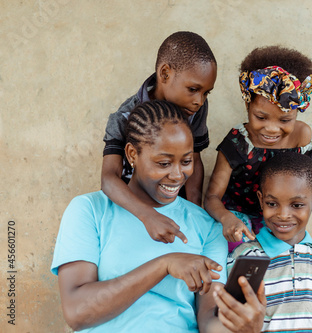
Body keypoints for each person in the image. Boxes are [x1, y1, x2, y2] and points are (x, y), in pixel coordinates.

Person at [51, 101, 238, 332]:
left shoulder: (207, 227)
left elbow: (209, 320)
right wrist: (163, 265)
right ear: (132, 154)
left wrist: (241, 326)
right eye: (163, 163)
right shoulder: (90, 210)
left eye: (186, 161)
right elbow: (77, 313)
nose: (178, 175)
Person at [214, 152, 312, 333]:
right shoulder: (246, 258)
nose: (283, 215)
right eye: (272, 203)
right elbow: (230, 320)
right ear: (261, 200)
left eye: (296, 205)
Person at [102, 31, 217, 245]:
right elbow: (109, 179)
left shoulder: (195, 109)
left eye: (206, 93)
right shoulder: (125, 118)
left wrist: (195, 213)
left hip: (175, 209)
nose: (199, 101)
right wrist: (147, 215)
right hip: (132, 212)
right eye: (193, 89)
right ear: (165, 74)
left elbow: (195, 158)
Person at [204, 46, 312, 251]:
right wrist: (227, 218)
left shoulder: (302, 138)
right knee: (242, 254)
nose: (272, 129)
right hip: (238, 218)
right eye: (261, 117)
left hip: (280, 218)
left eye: (285, 119)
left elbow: (307, 188)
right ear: (247, 106)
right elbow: (212, 197)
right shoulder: (237, 143)